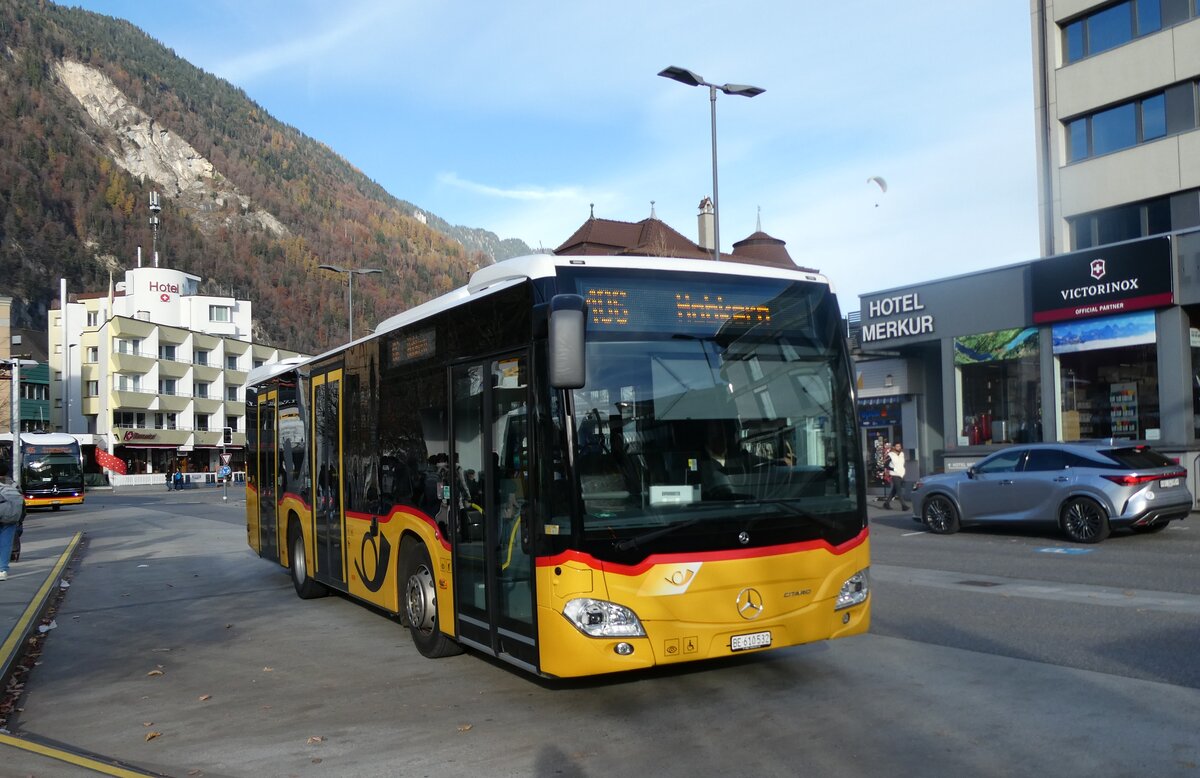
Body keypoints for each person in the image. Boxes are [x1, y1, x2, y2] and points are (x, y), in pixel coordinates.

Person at [0, 475, 26, 582]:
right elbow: (23, 504)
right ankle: (3, 571)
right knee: (6, 544)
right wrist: (19, 520)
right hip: (11, 519)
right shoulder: (13, 485)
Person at [882, 443, 908, 510]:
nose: (898, 447)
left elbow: (902, 464)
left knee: (895, 490)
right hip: (894, 474)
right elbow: (885, 465)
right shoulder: (890, 454)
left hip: (901, 474)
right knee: (899, 489)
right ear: (894, 447)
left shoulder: (902, 454)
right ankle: (904, 506)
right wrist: (893, 469)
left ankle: (886, 503)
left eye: (899, 446)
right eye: (897, 446)